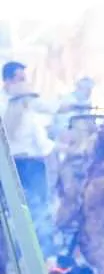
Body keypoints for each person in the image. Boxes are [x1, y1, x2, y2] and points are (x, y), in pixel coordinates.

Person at [4, 81, 56, 254]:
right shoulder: (31, 118)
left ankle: (18, 251)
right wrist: (61, 146)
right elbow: (43, 146)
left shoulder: (5, 119)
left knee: (17, 210)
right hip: (32, 166)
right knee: (38, 209)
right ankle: (43, 252)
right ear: (25, 100)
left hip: (12, 167)